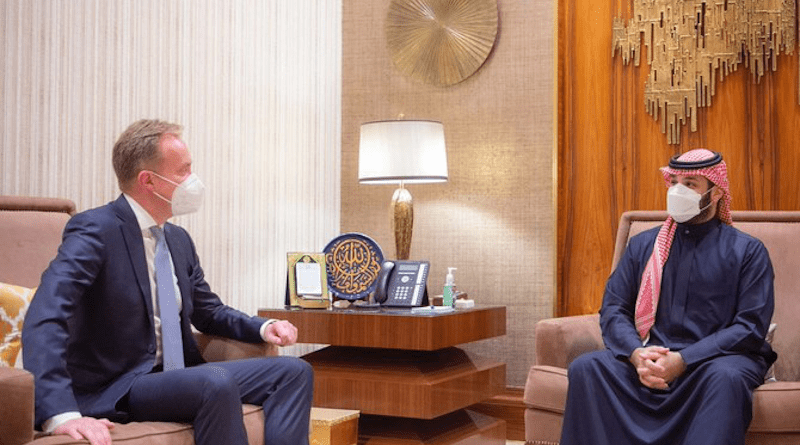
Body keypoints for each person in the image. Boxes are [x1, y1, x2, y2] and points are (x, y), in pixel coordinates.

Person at [22, 119, 314, 445]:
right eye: (183, 171)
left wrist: (263, 327)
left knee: (294, 373)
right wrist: (59, 412)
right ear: (149, 180)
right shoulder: (96, 229)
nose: (193, 181)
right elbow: (46, 312)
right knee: (214, 382)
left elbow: (207, 311)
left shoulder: (178, 240)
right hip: (119, 384)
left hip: (177, 376)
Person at [560, 149, 777, 445]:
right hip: (650, 357)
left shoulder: (748, 252)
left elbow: (749, 328)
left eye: (690, 184)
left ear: (715, 194)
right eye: (674, 182)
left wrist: (684, 360)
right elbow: (614, 309)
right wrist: (637, 355)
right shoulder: (643, 246)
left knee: (725, 379)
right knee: (588, 367)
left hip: (714, 361)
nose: (678, 191)